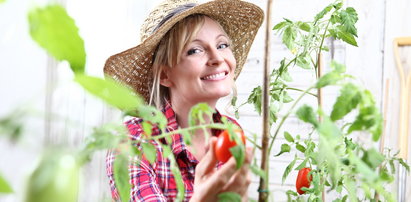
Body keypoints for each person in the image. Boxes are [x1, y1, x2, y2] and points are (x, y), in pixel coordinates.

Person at [103, 0, 264, 201]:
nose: (217, 58)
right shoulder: (134, 141)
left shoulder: (231, 132)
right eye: (195, 50)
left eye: (222, 45)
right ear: (164, 75)